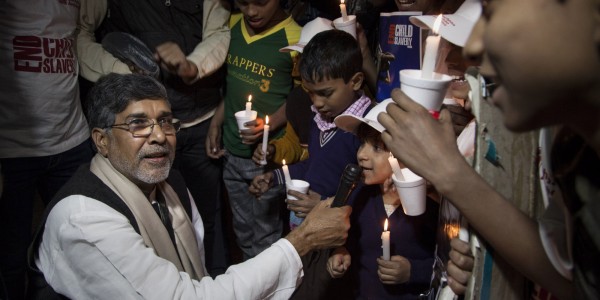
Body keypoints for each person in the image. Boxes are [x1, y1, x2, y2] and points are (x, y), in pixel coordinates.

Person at [28, 73, 352, 299]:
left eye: (166, 121)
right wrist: (303, 240)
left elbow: (198, 275)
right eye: (138, 123)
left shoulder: (170, 184)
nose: (159, 136)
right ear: (101, 141)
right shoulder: (83, 220)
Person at [378, 0, 600, 298]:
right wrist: (486, 263)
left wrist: (449, 173)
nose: (472, 49)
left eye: (492, 12)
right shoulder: (565, 144)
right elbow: (567, 273)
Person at [77, 0, 231, 275]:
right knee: (147, 213)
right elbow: (80, 35)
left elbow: (218, 32)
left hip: (199, 122)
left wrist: (191, 65)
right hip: (139, 133)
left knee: (207, 211)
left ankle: (211, 278)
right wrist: (122, 72)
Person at [0, 2, 94, 299]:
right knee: (10, 257)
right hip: (12, 150)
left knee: (74, 246)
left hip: (72, 141)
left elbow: (81, 38)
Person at [206, 0, 301, 260]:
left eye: (260, 3)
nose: (251, 12)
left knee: (266, 235)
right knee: (243, 231)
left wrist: (268, 124)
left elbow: (300, 97)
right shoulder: (232, 23)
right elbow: (234, 85)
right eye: (244, 3)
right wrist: (216, 120)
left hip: (265, 157)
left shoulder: (296, 37)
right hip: (231, 151)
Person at [250, 29, 373, 229]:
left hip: (343, 234)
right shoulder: (321, 118)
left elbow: (370, 192)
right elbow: (314, 165)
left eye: (325, 93)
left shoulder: (366, 128)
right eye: (311, 93)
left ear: (356, 81)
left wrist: (325, 203)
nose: (317, 103)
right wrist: (276, 177)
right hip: (310, 224)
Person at [327, 103, 438, 299]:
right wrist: (339, 250)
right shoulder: (359, 195)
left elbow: (447, 266)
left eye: (377, 148)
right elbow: (347, 240)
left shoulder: (430, 204)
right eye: (362, 143)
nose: (362, 155)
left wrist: (414, 272)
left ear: (406, 156)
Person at [251, 17, 335, 166]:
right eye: (301, 57)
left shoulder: (350, 101)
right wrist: (274, 150)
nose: (302, 64)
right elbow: (294, 143)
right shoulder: (297, 98)